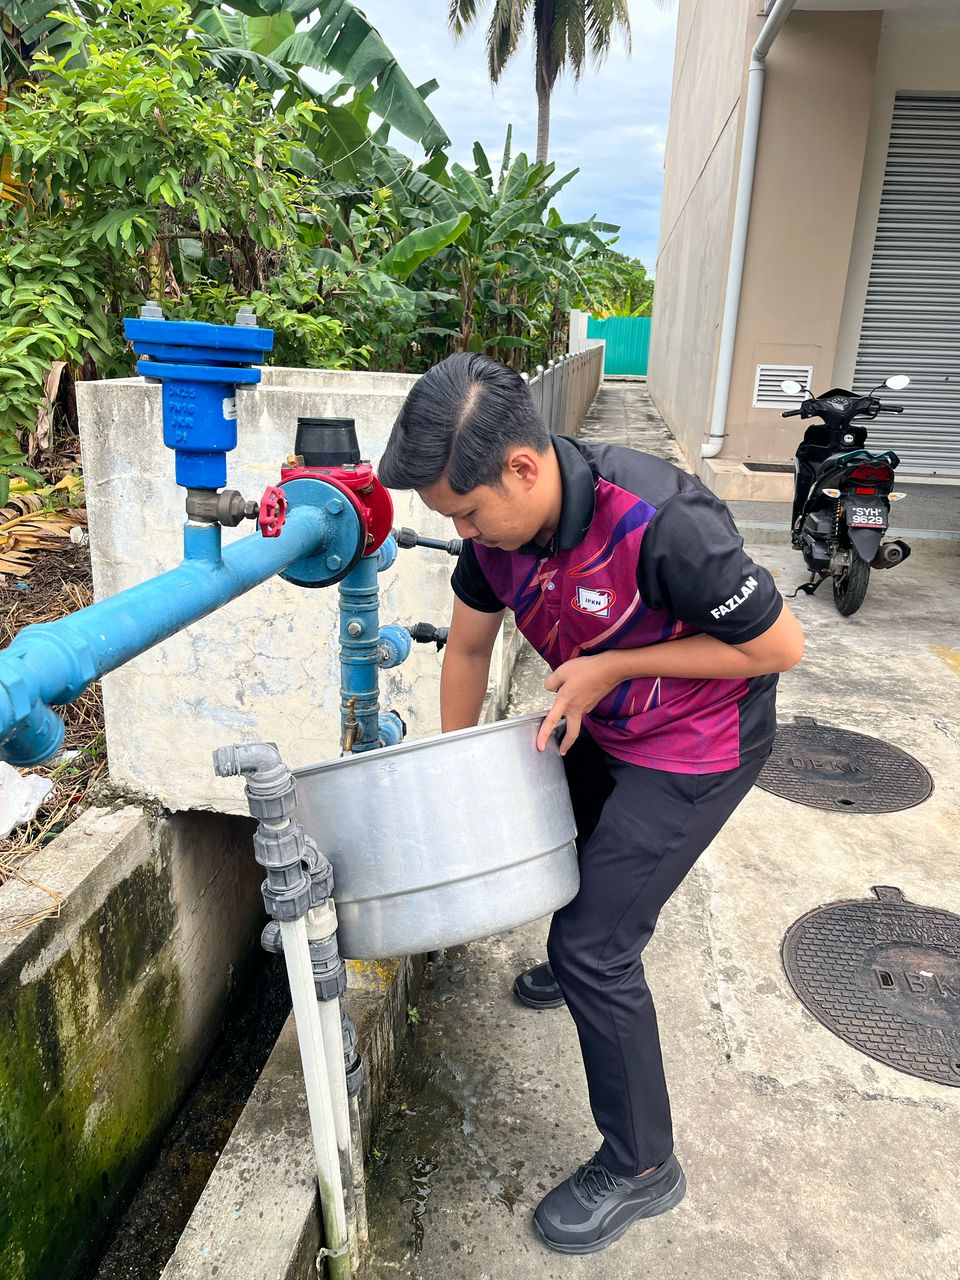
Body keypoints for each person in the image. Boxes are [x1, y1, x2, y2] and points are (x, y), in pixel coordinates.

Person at [377, 353, 804, 1256]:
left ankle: (643, 1166)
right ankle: (579, 972)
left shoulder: (663, 520)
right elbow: (468, 652)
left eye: (467, 513)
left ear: (522, 467)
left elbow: (779, 648)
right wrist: (459, 772)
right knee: (553, 840)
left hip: (697, 742)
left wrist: (615, 665)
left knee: (594, 947)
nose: (463, 533)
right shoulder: (494, 542)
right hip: (603, 721)